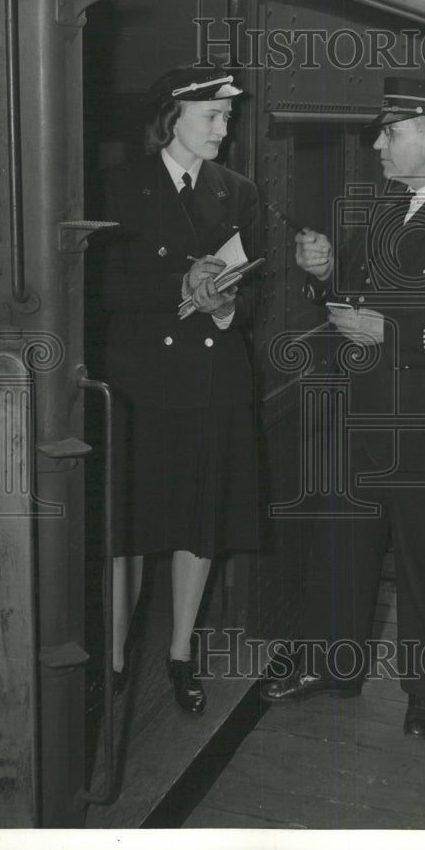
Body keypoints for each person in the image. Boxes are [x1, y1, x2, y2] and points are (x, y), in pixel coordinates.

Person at [260, 76, 425, 739]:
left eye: (390, 132)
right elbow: (353, 298)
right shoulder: (377, 208)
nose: (378, 144)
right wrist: (322, 276)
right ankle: (334, 666)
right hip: (360, 408)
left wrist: (392, 334)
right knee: (342, 542)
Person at [96, 63, 260, 715]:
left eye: (228, 116)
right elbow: (99, 288)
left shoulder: (236, 190)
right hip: (140, 382)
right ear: (173, 116)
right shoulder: (115, 187)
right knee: (129, 533)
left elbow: (254, 292)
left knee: (200, 524)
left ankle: (180, 653)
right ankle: (111, 662)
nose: (225, 127)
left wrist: (225, 307)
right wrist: (178, 286)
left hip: (213, 380)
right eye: (213, 116)